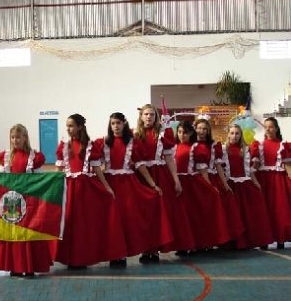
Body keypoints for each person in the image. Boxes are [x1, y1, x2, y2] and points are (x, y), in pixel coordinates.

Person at [51, 113, 127, 269]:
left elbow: (97, 169)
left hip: (85, 188)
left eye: (71, 126)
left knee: (83, 224)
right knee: (68, 222)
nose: (68, 129)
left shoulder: (90, 146)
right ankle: (70, 258)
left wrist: (106, 187)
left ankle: (82, 257)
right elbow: (58, 170)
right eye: (67, 126)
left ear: (80, 127)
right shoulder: (64, 146)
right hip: (68, 188)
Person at [97, 112, 173, 264]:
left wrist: (153, 185)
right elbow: (95, 165)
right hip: (110, 183)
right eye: (113, 123)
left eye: (118, 123)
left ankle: (129, 252)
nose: (116, 126)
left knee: (127, 219)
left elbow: (141, 166)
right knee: (112, 220)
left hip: (127, 185)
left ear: (124, 124)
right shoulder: (103, 142)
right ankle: (115, 254)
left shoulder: (133, 142)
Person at [134, 104, 195, 260]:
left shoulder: (163, 133)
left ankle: (155, 249)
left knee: (161, 213)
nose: (149, 117)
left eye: (152, 114)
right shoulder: (134, 135)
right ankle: (146, 248)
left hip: (160, 175)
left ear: (156, 117)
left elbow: (169, 158)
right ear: (141, 116)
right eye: (146, 114)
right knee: (144, 214)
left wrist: (176, 180)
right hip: (141, 175)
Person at [0, 124, 53, 278]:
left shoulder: (35, 157)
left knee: (29, 233)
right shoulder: (5, 156)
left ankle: (30, 266)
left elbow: (40, 179)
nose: (15, 140)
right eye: (12, 137)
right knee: (13, 233)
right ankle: (15, 266)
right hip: (11, 202)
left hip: (29, 202)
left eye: (18, 137)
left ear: (25, 137)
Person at [174, 120, 230, 251]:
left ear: (190, 133)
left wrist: (209, 186)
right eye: (180, 132)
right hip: (177, 182)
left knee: (194, 215)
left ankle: (198, 243)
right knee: (181, 216)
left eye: (185, 133)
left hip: (191, 183)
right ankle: (183, 244)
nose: (182, 135)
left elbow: (202, 169)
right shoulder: (174, 147)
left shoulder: (195, 148)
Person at [194, 118, 245, 248]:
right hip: (196, 180)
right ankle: (200, 242)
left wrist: (225, 184)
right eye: (199, 128)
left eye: (205, 129)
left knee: (222, 207)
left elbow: (218, 166)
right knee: (200, 211)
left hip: (213, 178)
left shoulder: (214, 146)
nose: (202, 131)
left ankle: (219, 240)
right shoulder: (191, 145)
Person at [223, 124, 274, 249]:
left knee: (250, 214)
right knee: (233, 215)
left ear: (241, 135)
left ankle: (252, 240)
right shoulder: (223, 149)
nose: (234, 136)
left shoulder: (246, 149)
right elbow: (220, 168)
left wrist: (256, 182)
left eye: (237, 133)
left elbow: (250, 170)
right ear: (228, 134)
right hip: (230, 184)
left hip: (245, 184)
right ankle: (234, 241)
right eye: (232, 133)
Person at [250, 117, 291, 249]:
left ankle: (281, 238)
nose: (268, 129)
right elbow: (255, 165)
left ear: (276, 129)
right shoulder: (259, 146)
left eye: (271, 127)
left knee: (279, 210)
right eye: (266, 127)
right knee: (264, 210)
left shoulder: (283, 145)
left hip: (279, 181)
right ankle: (264, 239)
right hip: (263, 180)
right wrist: (250, 178)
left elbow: (287, 166)